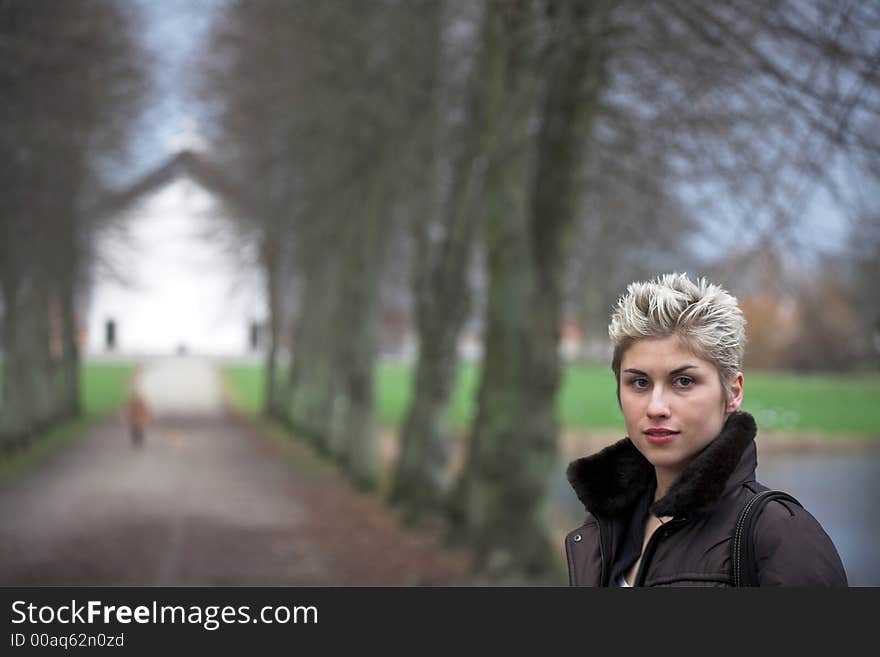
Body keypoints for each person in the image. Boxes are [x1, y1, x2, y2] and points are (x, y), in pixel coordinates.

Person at [564, 272, 847, 587]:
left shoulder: (779, 534)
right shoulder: (603, 529)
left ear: (733, 392)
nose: (656, 407)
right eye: (639, 382)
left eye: (683, 381)